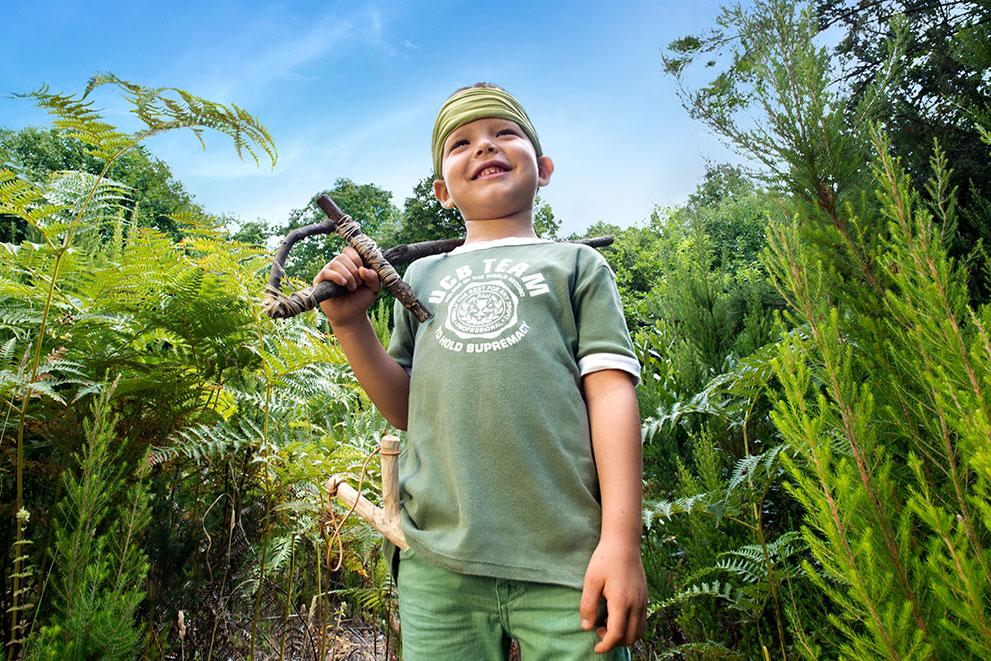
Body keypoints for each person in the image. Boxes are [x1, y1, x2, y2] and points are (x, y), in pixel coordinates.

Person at [313, 83, 647, 660]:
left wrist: (621, 543)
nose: (485, 146)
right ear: (442, 190)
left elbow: (612, 396)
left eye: (505, 133)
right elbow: (405, 408)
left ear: (542, 169)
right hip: (439, 562)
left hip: (569, 561)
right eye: (462, 142)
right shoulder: (416, 279)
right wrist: (349, 325)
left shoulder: (575, 265)